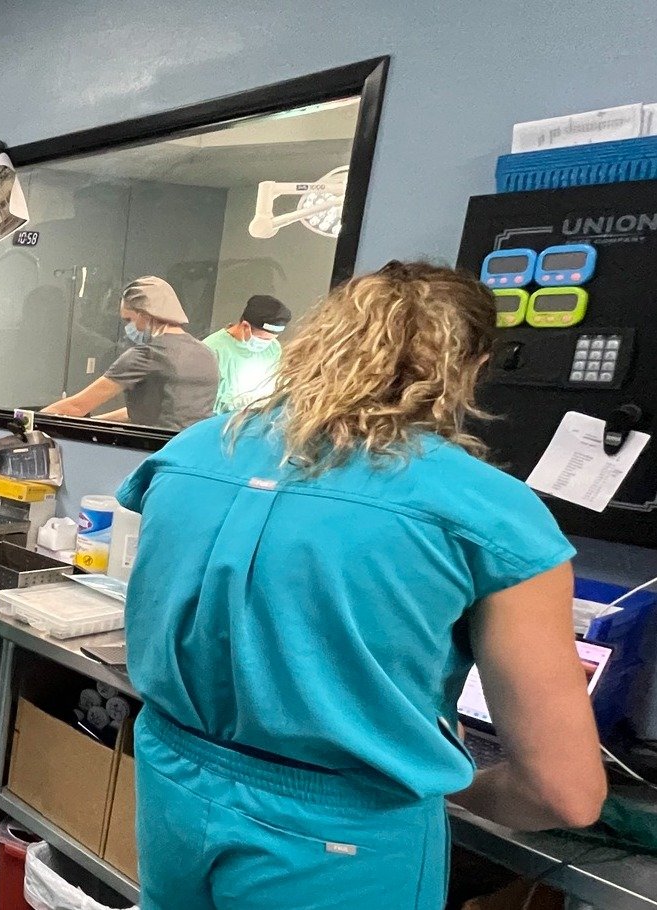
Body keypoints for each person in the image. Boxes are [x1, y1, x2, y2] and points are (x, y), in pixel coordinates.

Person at [116, 262, 605, 910]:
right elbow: (562, 791)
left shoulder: (190, 453)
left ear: (316, 341)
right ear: (470, 365)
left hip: (172, 788)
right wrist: (449, 782)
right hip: (341, 834)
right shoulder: (487, 512)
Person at [43, 276, 218, 430]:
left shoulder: (146, 356)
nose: (128, 328)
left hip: (156, 452)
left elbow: (76, 407)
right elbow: (146, 412)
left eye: (129, 319)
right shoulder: (207, 354)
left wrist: (32, 422)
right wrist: (95, 423)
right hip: (198, 453)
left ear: (145, 314)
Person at [202, 293, 291, 413]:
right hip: (219, 424)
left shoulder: (273, 348)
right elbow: (203, 402)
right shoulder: (211, 349)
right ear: (245, 326)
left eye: (272, 339)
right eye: (264, 339)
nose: (267, 343)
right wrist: (242, 402)